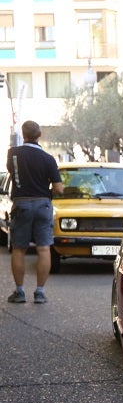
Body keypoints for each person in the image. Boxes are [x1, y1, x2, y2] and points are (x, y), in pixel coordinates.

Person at [6, 120, 64, 304]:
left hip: (21, 203)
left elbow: (12, 173)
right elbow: (59, 188)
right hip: (43, 204)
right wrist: (45, 194)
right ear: (40, 135)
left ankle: (19, 291)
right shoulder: (48, 158)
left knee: (19, 248)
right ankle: (39, 292)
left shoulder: (13, 154)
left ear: (23, 134)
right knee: (44, 247)